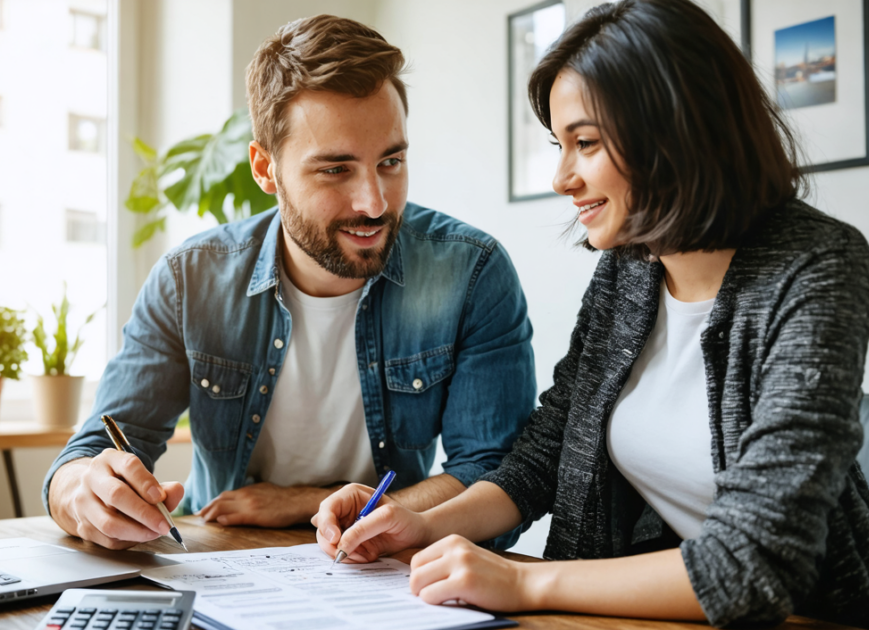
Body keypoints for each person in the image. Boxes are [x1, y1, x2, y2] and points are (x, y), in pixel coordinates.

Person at [313, 1, 869, 628]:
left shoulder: (818, 265)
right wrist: (418, 524)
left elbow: (756, 563)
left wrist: (523, 582)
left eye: (584, 143)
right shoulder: (631, 267)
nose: (563, 176)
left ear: (676, 129)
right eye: (560, 145)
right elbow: (543, 457)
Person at [43, 15, 536, 552]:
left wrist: (309, 502)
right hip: (226, 561)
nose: (374, 203)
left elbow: (495, 479)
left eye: (390, 161)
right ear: (265, 168)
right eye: (335, 170)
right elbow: (91, 451)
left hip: (390, 572)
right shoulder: (191, 280)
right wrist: (80, 492)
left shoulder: (471, 272)